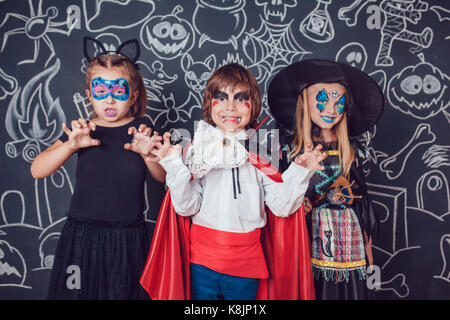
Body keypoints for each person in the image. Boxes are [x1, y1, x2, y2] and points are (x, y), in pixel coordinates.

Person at [140, 63, 327, 300]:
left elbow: (281, 206)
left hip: (247, 264)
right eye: (221, 97)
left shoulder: (262, 152)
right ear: (210, 104)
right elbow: (187, 207)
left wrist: (300, 171)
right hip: (201, 262)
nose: (231, 107)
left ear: (253, 106)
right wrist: (175, 167)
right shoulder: (197, 151)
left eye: (241, 98)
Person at [30, 38, 165, 299]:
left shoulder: (142, 130)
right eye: (101, 91)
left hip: (128, 240)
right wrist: (70, 146)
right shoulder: (82, 130)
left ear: (133, 95)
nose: (110, 99)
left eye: (119, 91)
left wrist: (149, 154)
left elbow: (164, 178)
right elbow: (37, 169)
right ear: (90, 95)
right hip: (82, 238)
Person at [267, 59, 384, 300]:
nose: (331, 109)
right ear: (304, 103)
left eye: (338, 102)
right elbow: (280, 197)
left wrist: (368, 249)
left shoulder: (351, 150)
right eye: (322, 100)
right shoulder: (290, 150)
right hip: (307, 235)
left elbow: (362, 201)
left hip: (348, 237)